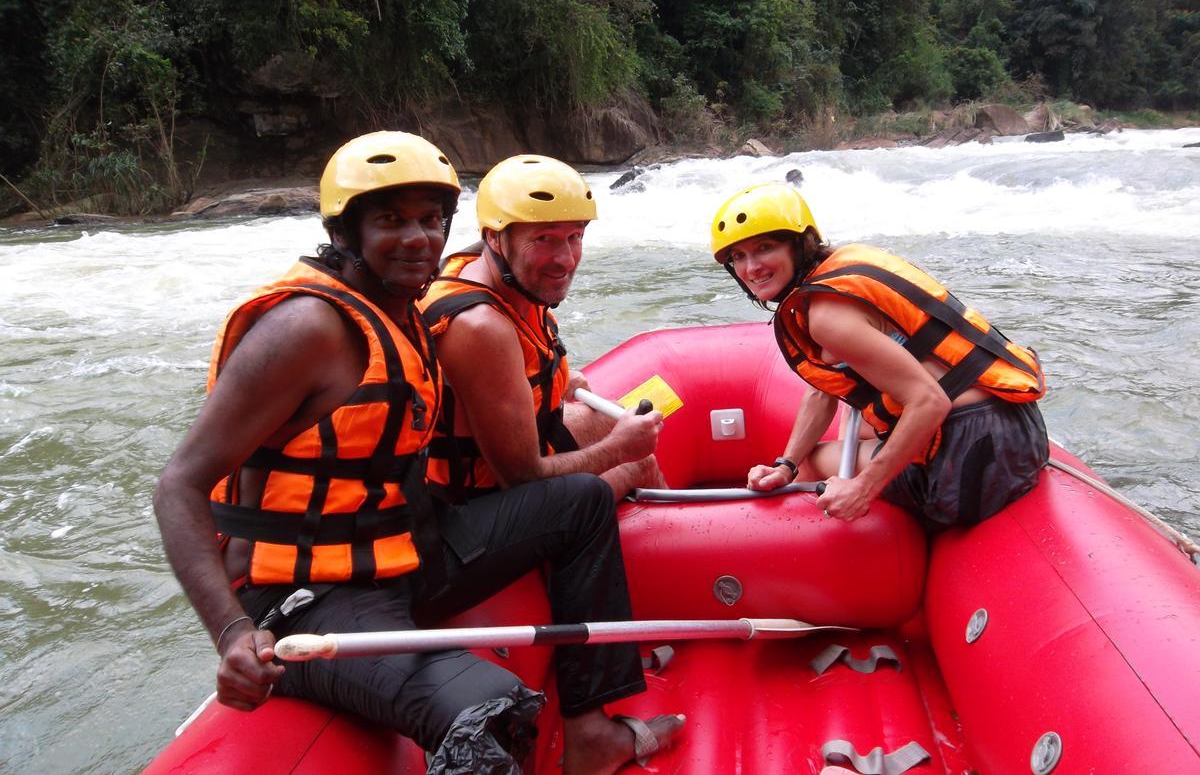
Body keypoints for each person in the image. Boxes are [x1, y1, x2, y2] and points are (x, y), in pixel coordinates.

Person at [154, 132, 682, 775]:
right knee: (485, 711)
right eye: (391, 220)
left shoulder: (405, 304)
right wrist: (234, 633)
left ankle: (591, 734)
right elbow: (178, 485)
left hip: (402, 551)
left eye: (431, 220)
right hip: (310, 595)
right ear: (346, 232)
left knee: (582, 501)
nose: (417, 238)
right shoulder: (305, 329)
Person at [710, 182, 1048, 531]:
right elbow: (822, 391)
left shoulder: (826, 316)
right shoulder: (842, 271)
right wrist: (785, 465)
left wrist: (861, 487)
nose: (751, 268)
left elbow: (929, 401)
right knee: (859, 431)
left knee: (815, 460)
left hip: (970, 458)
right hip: (1016, 427)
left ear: (799, 245)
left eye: (764, 248)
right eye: (738, 256)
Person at [419, 154, 667, 503]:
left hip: (500, 469)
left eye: (574, 237)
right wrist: (618, 450)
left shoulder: (495, 273)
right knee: (641, 462)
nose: (565, 259)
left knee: (605, 418)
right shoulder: (479, 327)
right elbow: (520, 478)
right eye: (544, 239)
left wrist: (562, 379)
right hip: (479, 508)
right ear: (494, 238)